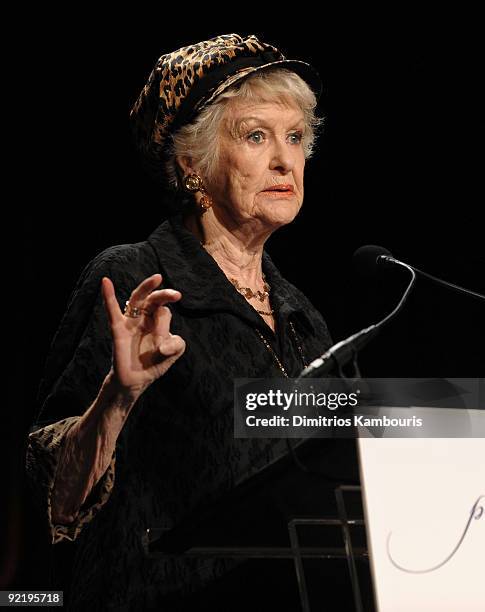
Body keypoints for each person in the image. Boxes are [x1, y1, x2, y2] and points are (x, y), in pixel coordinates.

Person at [27, 34, 359, 610]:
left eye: (296, 137)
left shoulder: (305, 319)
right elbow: (49, 501)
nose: (286, 160)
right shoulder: (136, 277)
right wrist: (116, 398)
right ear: (192, 165)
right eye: (257, 136)